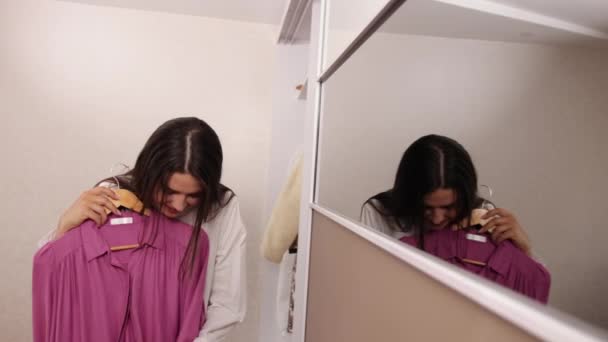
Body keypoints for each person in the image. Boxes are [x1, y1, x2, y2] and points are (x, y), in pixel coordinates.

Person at [39, 117, 246, 342]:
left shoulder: (221, 209)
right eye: (168, 191)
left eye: (193, 195)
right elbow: (60, 277)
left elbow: (227, 305)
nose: (178, 205)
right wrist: (65, 225)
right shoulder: (112, 196)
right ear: (150, 172)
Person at [361, 134, 531, 255]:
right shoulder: (378, 213)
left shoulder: (483, 215)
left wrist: (523, 250)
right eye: (426, 207)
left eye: (449, 207)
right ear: (408, 196)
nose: (437, 219)